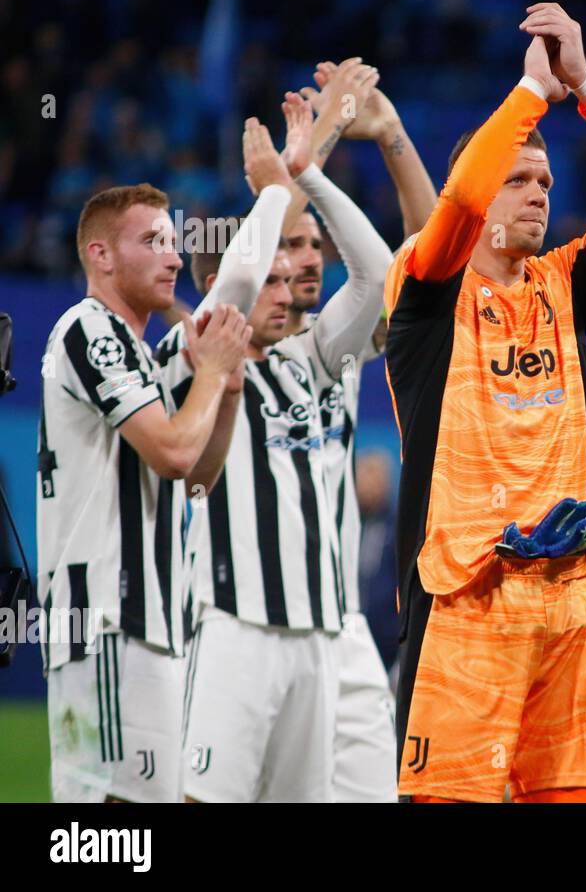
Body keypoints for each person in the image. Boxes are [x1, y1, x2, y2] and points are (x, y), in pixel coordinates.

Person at [384, 3, 586, 803]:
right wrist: (526, 95)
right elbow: (452, 210)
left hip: (567, 598)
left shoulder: (566, 283)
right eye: (517, 181)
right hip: (463, 600)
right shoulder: (429, 292)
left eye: (546, 182)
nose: (538, 194)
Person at [155, 93, 392, 802]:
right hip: (234, 627)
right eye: (273, 276)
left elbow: (379, 277)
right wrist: (273, 195)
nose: (287, 290)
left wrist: (307, 174)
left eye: (294, 275)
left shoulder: (314, 358)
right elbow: (231, 285)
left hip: (321, 635)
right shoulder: (194, 352)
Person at [38, 181, 251, 802]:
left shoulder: (134, 352)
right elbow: (174, 449)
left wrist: (228, 390)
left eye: (176, 241)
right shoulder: (89, 328)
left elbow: (197, 478)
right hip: (105, 614)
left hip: (150, 618)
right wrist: (209, 372)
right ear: (100, 255)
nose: (176, 257)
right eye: (153, 241)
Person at [280, 57, 437, 802]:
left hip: (338, 628)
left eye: (315, 247)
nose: (311, 259)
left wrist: (381, 134)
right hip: (239, 618)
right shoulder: (209, 346)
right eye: (291, 247)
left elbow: (403, 273)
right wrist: (322, 137)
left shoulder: (333, 348)